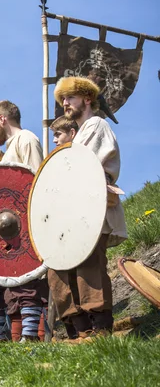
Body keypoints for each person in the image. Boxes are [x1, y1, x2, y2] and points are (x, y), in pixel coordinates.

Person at [49, 76, 128, 341]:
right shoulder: (78, 134)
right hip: (74, 213)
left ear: (87, 99)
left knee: (88, 267)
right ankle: (79, 331)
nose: (65, 104)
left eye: (69, 98)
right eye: (62, 100)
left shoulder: (96, 125)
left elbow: (82, 170)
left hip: (92, 209)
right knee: (59, 270)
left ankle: (100, 329)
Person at [0, 100, 46, 343]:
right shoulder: (9, 149)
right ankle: (3, 337)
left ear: (2, 119)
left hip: (23, 223)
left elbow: (33, 181)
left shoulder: (26, 139)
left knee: (27, 280)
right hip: (8, 228)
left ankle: (30, 335)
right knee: (7, 284)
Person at [49, 115, 81, 340]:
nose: (54, 141)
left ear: (72, 133)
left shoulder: (79, 158)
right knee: (57, 277)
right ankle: (72, 329)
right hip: (57, 227)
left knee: (80, 276)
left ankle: (86, 326)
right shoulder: (56, 162)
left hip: (76, 225)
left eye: (58, 135)